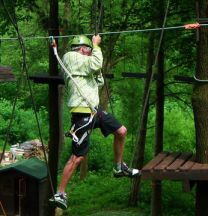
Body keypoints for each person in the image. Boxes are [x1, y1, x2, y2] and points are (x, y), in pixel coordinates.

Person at [49, 35, 140, 210]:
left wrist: (96, 67)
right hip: (81, 112)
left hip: (94, 110)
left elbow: (98, 80)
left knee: (121, 131)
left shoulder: (83, 64)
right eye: (89, 50)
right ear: (82, 48)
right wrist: (96, 45)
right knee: (78, 157)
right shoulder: (71, 57)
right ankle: (60, 193)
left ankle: (118, 167)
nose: (91, 53)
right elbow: (96, 64)